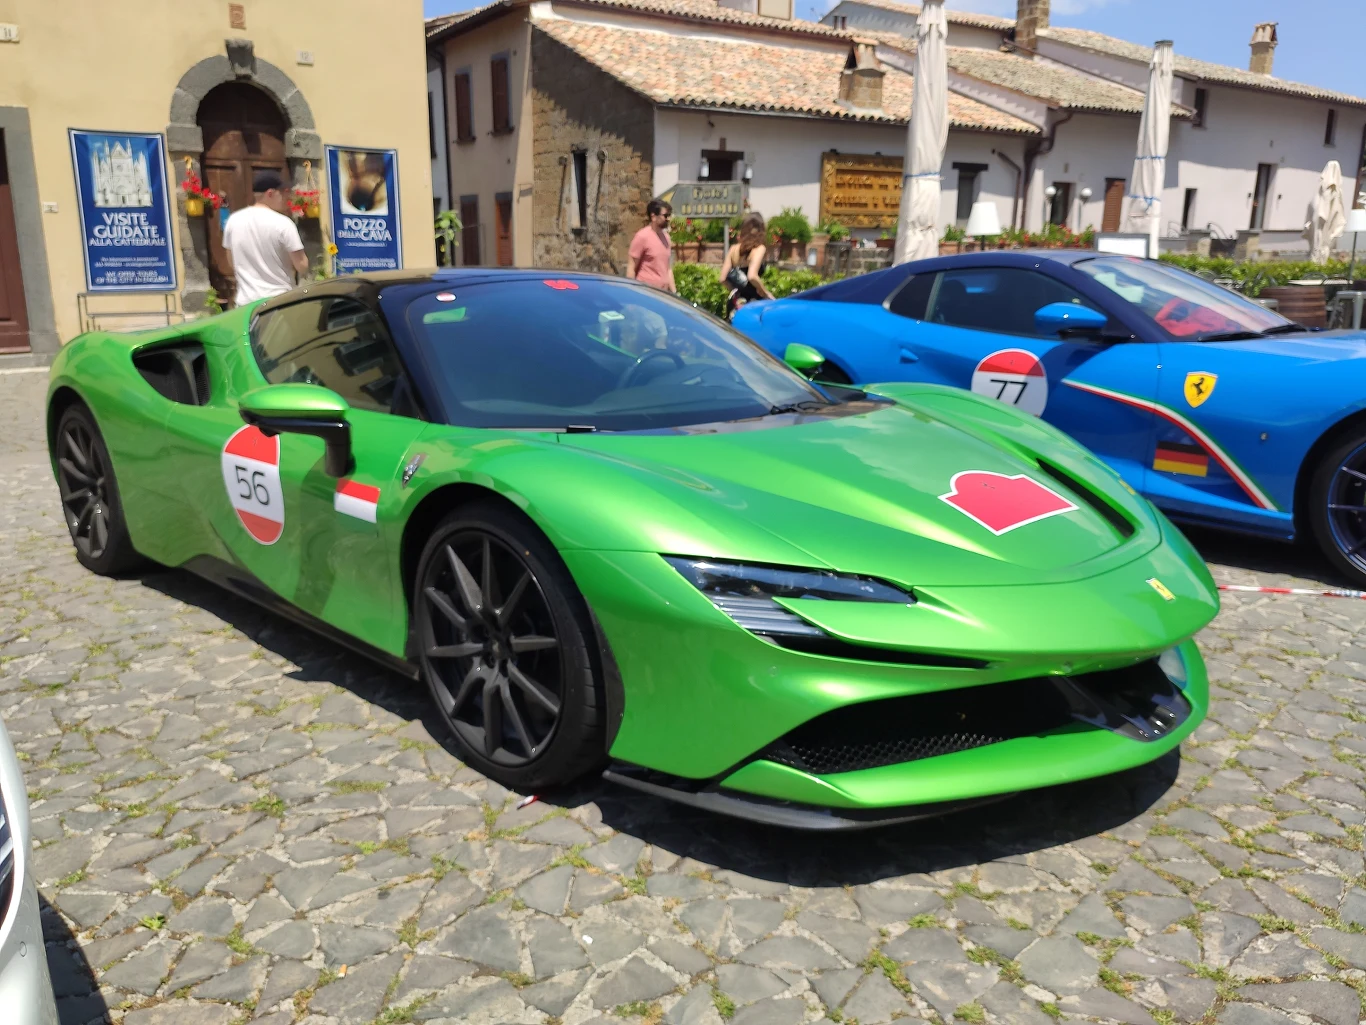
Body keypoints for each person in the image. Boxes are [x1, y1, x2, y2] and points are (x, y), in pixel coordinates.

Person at [221, 170, 309, 307]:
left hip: (246, 305)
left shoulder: (233, 221)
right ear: (270, 193)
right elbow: (302, 265)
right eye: (284, 191)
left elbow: (231, 261)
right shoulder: (283, 223)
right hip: (278, 302)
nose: (287, 196)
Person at [720, 212, 773, 320]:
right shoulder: (759, 249)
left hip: (736, 302)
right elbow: (752, 276)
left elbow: (722, 279)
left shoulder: (733, 249)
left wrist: (737, 290)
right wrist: (765, 293)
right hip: (752, 303)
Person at [627, 199, 676, 293]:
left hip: (662, 294)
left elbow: (668, 269)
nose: (668, 219)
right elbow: (632, 267)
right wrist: (631, 293)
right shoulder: (642, 237)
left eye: (669, 216)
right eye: (665, 216)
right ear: (653, 216)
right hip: (646, 293)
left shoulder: (666, 238)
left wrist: (675, 293)